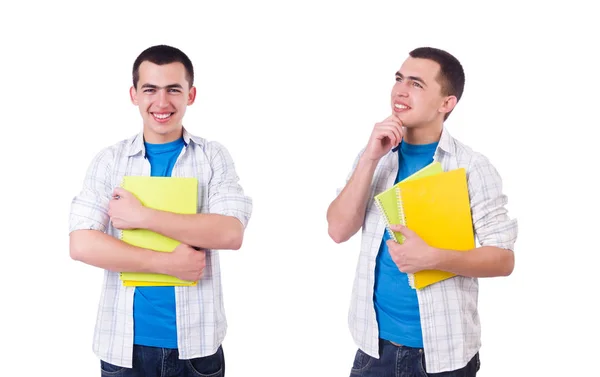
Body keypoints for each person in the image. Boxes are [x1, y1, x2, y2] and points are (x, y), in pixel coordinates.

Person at [326, 47, 518, 376]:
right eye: (399, 79)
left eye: (416, 84)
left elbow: (503, 259)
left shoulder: (471, 167)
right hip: (374, 349)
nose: (400, 90)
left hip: (442, 356)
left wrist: (433, 258)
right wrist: (370, 159)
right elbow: (338, 230)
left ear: (447, 103)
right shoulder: (375, 156)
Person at [69, 44, 252, 376]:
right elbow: (81, 243)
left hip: (196, 349)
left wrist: (142, 216)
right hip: (123, 347)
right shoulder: (110, 161)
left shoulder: (212, 157)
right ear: (134, 95)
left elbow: (230, 232)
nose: (162, 102)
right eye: (150, 90)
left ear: (191, 95)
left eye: (174, 90)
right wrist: (167, 264)